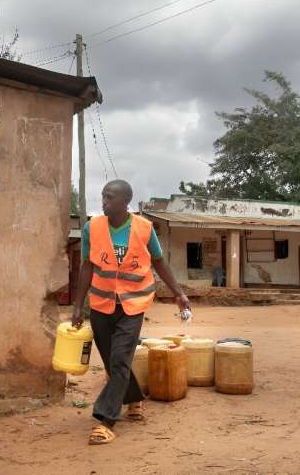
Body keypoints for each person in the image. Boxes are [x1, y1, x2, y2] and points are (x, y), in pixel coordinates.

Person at [71, 179, 192, 445]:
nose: (103, 202)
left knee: (119, 359)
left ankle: (106, 419)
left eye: (109, 197)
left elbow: (159, 262)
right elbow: (87, 266)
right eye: (102, 196)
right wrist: (79, 305)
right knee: (114, 362)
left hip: (133, 305)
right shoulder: (93, 227)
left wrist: (178, 292)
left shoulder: (144, 228)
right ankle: (134, 398)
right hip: (101, 305)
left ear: (125, 201)